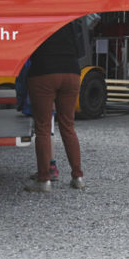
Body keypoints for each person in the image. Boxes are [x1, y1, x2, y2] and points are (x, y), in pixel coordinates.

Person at [24, 22, 86, 193]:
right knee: (68, 126)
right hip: (71, 71)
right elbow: (81, 48)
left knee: (43, 127)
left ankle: (44, 180)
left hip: (43, 71)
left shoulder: (38, 14)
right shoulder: (71, 17)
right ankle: (78, 176)